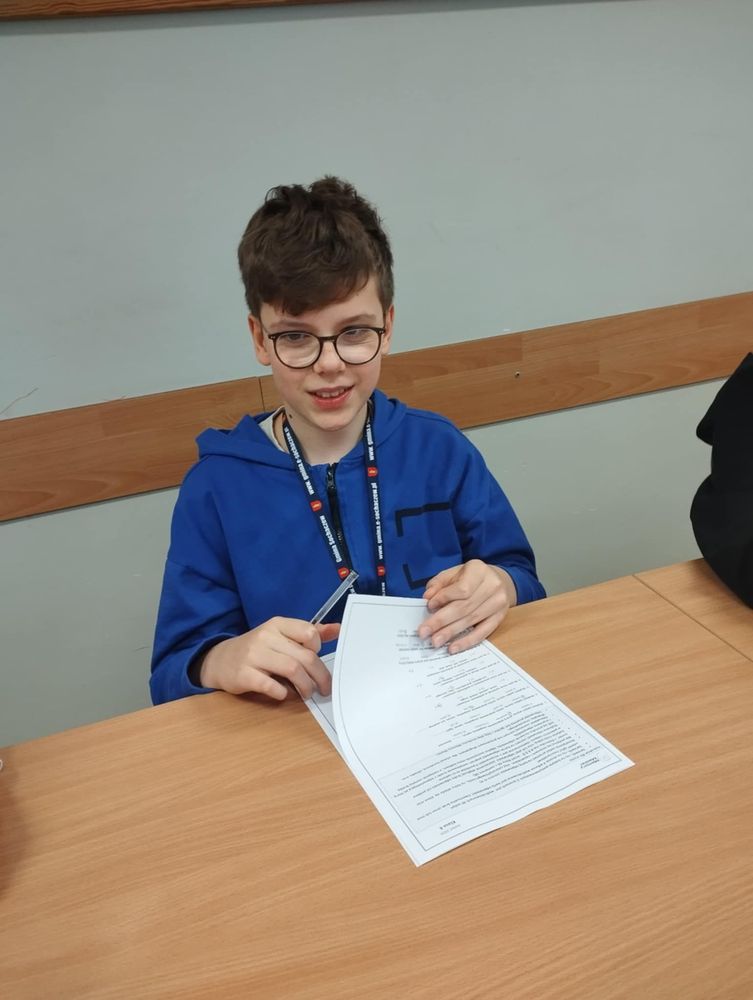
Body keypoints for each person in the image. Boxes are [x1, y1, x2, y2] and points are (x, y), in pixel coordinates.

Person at [150, 177, 545, 705]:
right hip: (296, 728)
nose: (329, 363)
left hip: (449, 709)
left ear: (388, 326)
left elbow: (522, 579)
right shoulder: (216, 487)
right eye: (296, 336)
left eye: (354, 332)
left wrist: (501, 584)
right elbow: (172, 674)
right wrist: (220, 659)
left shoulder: (439, 449)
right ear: (259, 339)